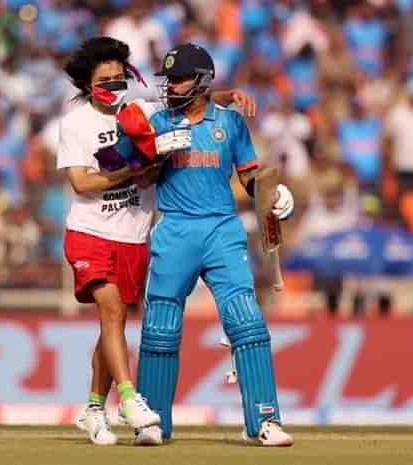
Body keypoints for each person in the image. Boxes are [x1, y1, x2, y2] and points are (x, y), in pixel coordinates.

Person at [57, 37, 257, 446]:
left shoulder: (143, 112)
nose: (114, 87)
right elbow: (80, 182)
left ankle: (95, 408)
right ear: (86, 85)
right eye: (104, 81)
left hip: (133, 234)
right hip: (90, 231)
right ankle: (130, 400)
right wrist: (135, 168)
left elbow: (189, 97)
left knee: (112, 323)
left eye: (119, 79)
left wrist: (229, 95)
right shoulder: (75, 122)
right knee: (111, 310)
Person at [125, 43, 295, 446]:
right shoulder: (158, 122)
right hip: (175, 228)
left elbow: (251, 177)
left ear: (201, 81)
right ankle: (153, 423)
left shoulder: (232, 124)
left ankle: (264, 421)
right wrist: (156, 156)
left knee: (246, 321)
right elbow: (141, 180)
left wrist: (274, 194)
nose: (171, 86)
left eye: (180, 79)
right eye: (170, 80)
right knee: (160, 328)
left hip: (222, 229)